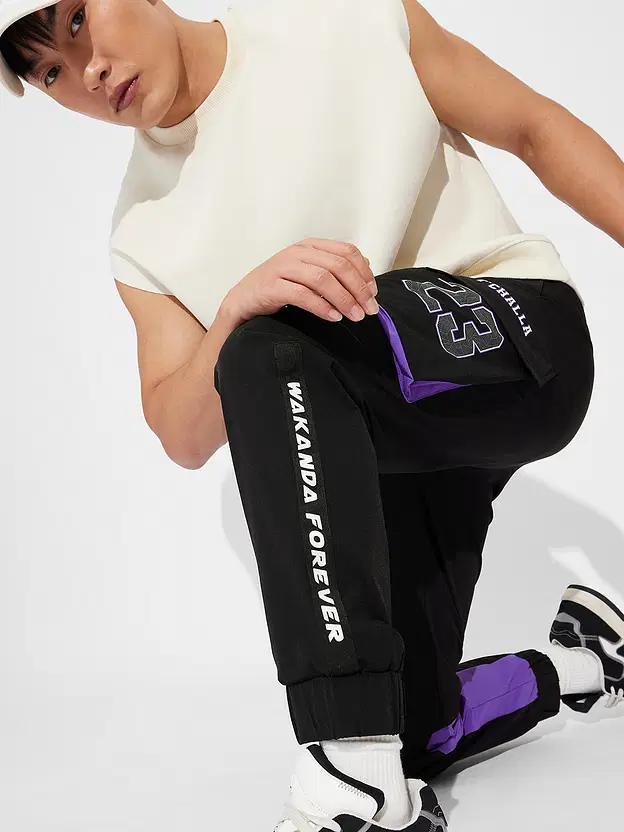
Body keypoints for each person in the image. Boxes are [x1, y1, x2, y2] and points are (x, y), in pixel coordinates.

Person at [2, 0, 623, 829]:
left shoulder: (343, 18)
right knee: (419, 729)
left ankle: (352, 770)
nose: (88, 72)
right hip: (395, 440)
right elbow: (180, 432)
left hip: (512, 335)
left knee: (271, 345)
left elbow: (533, 128)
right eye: (48, 71)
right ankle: (585, 662)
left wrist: (254, 331)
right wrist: (231, 310)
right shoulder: (141, 233)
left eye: (78, 20)